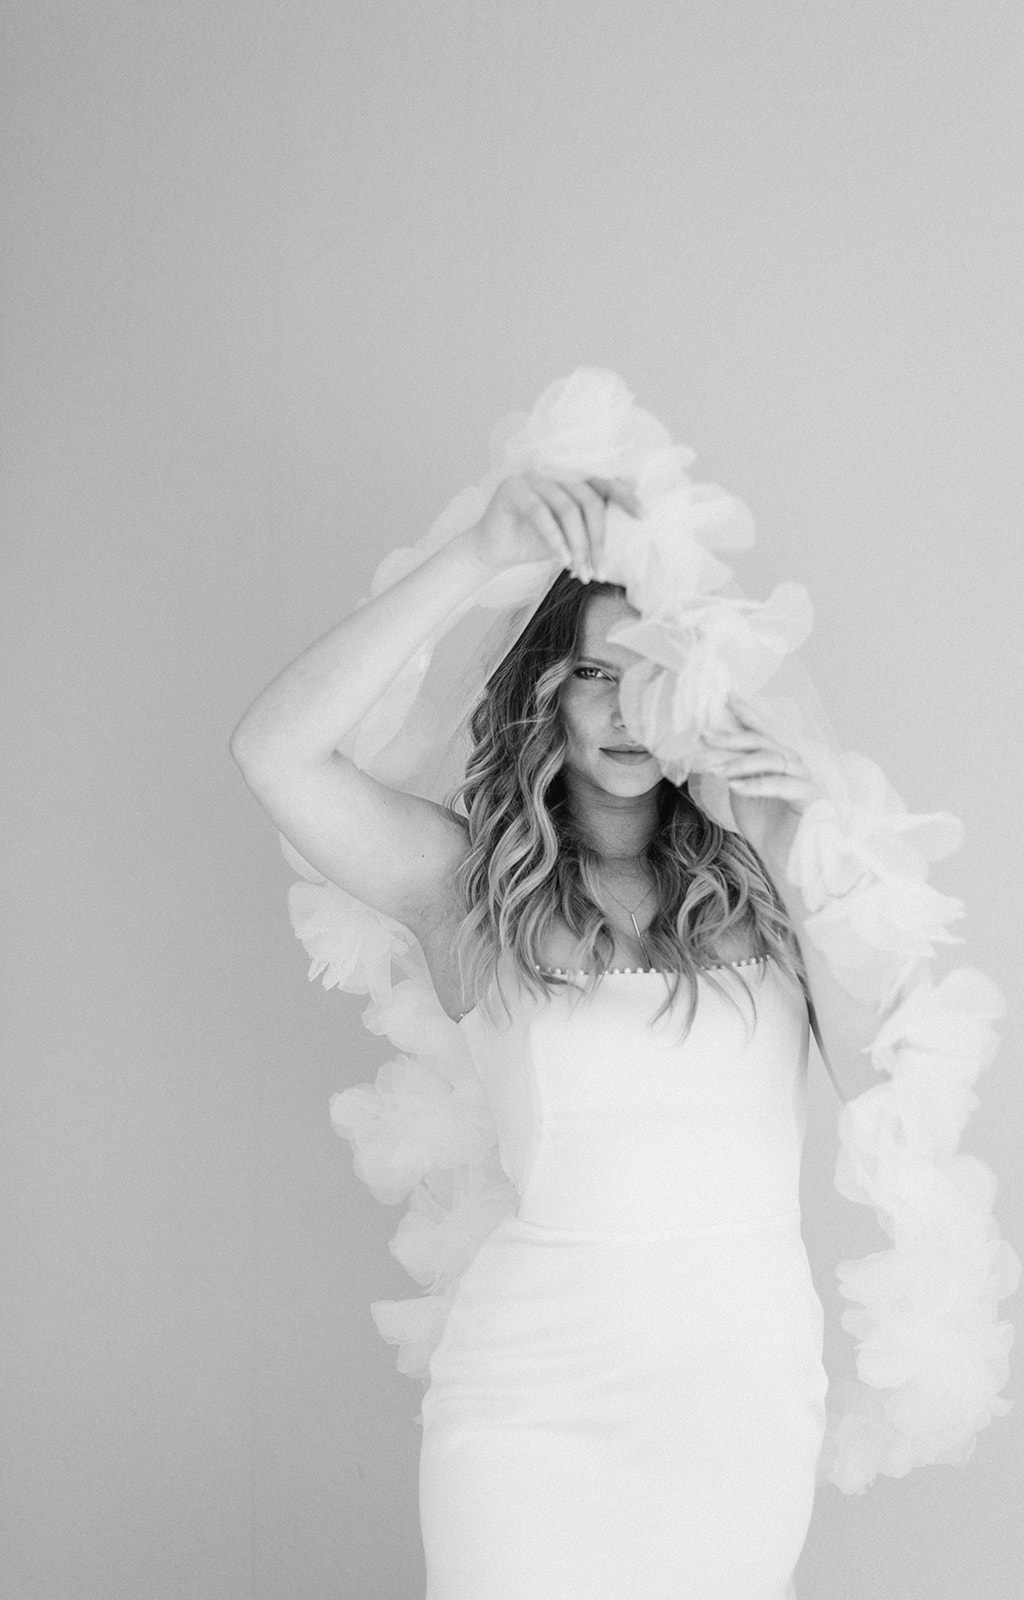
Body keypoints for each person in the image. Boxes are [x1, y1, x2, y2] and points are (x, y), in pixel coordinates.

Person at [231, 470, 835, 1599]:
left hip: (741, 1394)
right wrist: (477, 551)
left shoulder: (768, 878)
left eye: (653, 678)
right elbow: (275, 754)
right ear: (547, 695)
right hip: (531, 1401)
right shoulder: (469, 887)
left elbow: (882, 1071)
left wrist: (790, 824)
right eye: (594, 676)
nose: (622, 711)